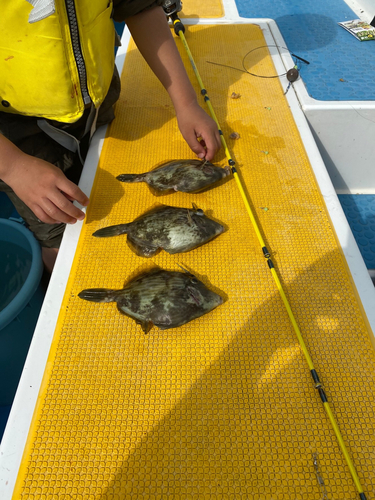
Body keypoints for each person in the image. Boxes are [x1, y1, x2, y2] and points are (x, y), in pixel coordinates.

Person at [0, 0, 221, 272]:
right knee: (59, 233)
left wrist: (186, 103)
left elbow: (139, 7)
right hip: (18, 138)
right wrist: (13, 166)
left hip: (96, 107)